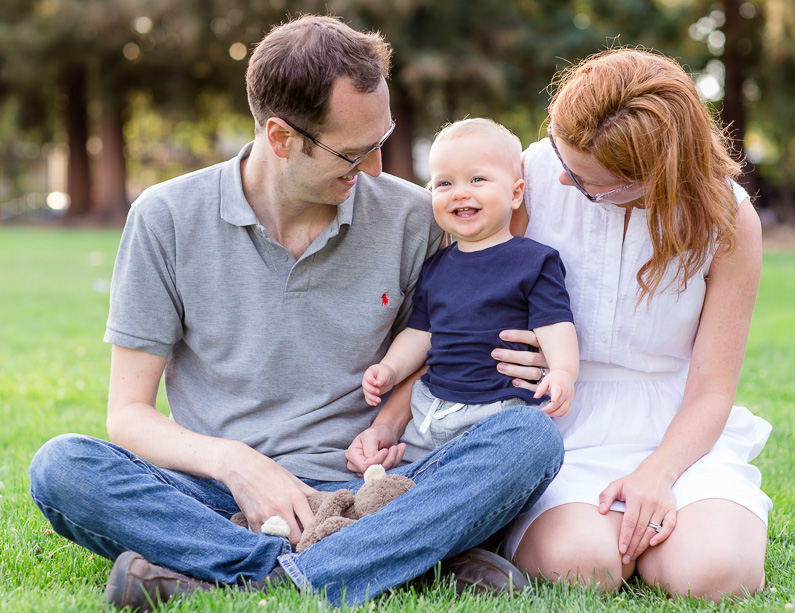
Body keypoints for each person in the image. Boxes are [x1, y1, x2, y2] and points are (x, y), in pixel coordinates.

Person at [28, 15, 563, 609]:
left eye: (381, 142)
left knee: (528, 438)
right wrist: (236, 463)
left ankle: (266, 575)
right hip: (217, 493)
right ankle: (387, 561)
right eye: (354, 154)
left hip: (373, 488)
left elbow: (428, 348)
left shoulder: (415, 217)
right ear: (281, 137)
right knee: (62, 467)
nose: (378, 170)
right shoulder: (166, 217)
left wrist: (519, 353)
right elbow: (128, 416)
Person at [494, 48, 773, 602]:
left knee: (716, 574)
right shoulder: (531, 177)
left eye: (589, 182)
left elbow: (713, 388)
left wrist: (658, 473)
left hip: (678, 426)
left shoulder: (728, 216)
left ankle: (676, 528)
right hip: (558, 426)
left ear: (653, 180)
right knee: (584, 565)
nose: (565, 181)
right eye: (562, 159)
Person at [361, 118, 579, 454]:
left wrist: (563, 372)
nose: (461, 192)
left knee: (520, 449)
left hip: (499, 409)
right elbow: (420, 334)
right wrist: (389, 368)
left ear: (516, 193)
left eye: (477, 179)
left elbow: (554, 325)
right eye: (444, 183)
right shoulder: (435, 265)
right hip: (430, 409)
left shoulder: (534, 261)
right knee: (408, 465)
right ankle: (408, 492)